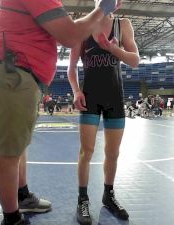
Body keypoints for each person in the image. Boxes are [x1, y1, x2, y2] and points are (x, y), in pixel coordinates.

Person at [0, 0, 121, 224]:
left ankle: (22, 196)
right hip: (13, 73)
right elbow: (70, 35)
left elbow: (65, 30)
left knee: (19, 146)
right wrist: (103, 9)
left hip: (19, 74)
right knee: (9, 152)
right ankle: (11, 218)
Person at [67, 1, 139, 223]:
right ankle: (82, 200)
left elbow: (135, 60)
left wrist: (112, 49)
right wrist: (77, 91)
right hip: (90, 97)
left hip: (115, 97)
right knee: (86, 151)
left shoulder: (123, 24)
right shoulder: (83, 26)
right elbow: (71, 69)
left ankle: (108, 195)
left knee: (113, 153)